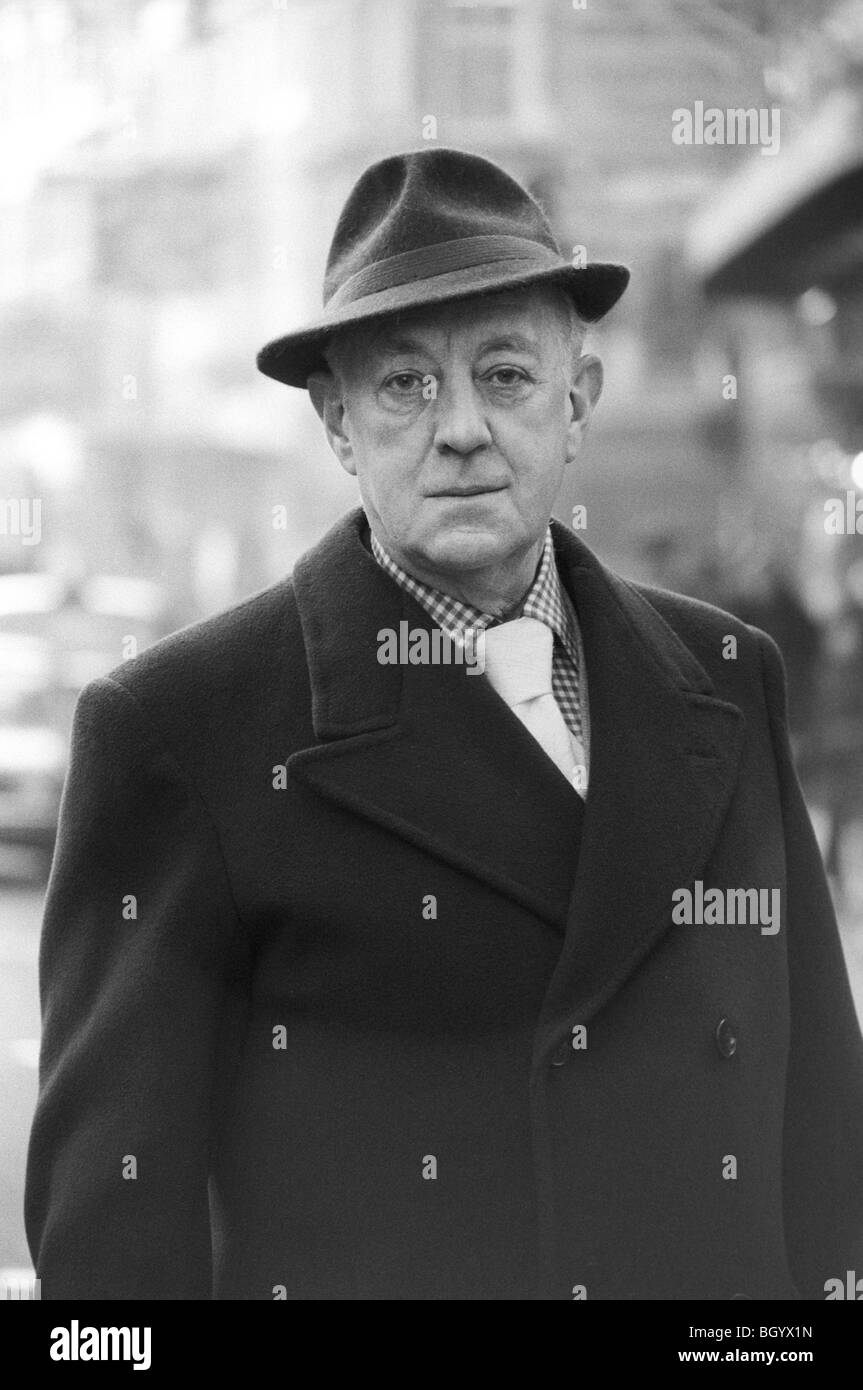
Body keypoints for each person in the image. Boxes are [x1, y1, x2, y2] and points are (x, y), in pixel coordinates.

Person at [25, 147, 863, 1301]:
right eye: (405, 385)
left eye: (506, 374)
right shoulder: (180, 731)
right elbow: (113, 1253)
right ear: (337, 426)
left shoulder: (727, 674)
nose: (461, 426)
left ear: (578, 401)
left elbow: (822, 1135)